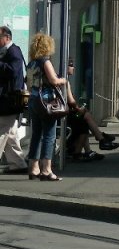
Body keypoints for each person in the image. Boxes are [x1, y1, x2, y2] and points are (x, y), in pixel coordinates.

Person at [26, 33, 68, 181]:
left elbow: (29, 85)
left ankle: (33, 168)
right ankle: (46, 169)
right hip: (46, 102)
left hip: (33, 100)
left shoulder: (31, 64)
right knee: (49, 136)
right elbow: (53, 80)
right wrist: (63, 80)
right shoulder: (45, 61)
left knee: (36, 135)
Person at [64, 59, 119, 161]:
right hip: (65, 115)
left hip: (66, 113)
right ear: (65, 67)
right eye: (71, 65)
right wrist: (78, 109)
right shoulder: (65, 81)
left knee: (85, 117)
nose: (73, 68)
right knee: (85, 118)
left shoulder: (64, 80)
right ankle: (100, 139)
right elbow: (71, 102)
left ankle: (95, 145)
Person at [0, 26, 28, 174]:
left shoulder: (13, 51)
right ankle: (18, 164)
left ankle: (18, 164)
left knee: (2, 131)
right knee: (10, 134)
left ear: (7, 38)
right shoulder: (6, 51)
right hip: (7, 99)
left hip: (9, 100)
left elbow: (13, 72)